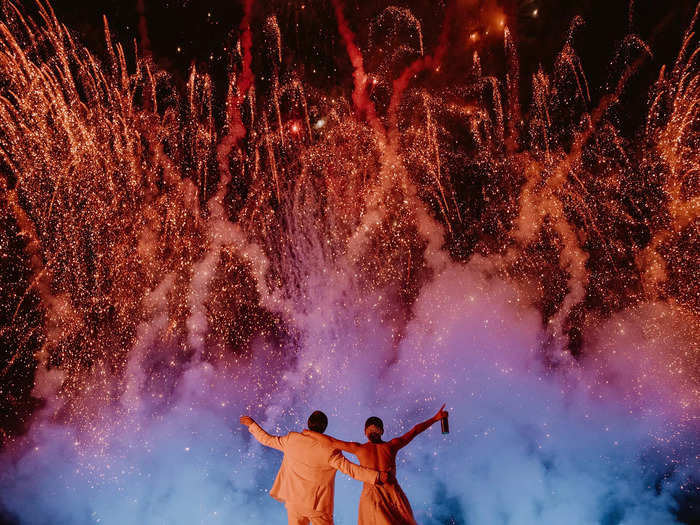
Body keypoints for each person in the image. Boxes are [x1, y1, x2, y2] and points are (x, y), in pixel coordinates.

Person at [240, 410, 392, 525]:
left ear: (308, 423)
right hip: (317, 506)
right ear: (324, 427)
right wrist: (376, 476)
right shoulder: (330, 450)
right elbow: (351, 469)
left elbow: (267, 439)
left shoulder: (292, 440)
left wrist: (252, 425)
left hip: (294, 502)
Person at [307, 404, 448, 525]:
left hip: (372, 497)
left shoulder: (359, 448)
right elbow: (415, 430)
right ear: (382, 431)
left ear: (365, 432)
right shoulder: (392, 446)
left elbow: (330, 441)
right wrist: (436, 418)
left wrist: (310, 433)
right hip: (392, 495)